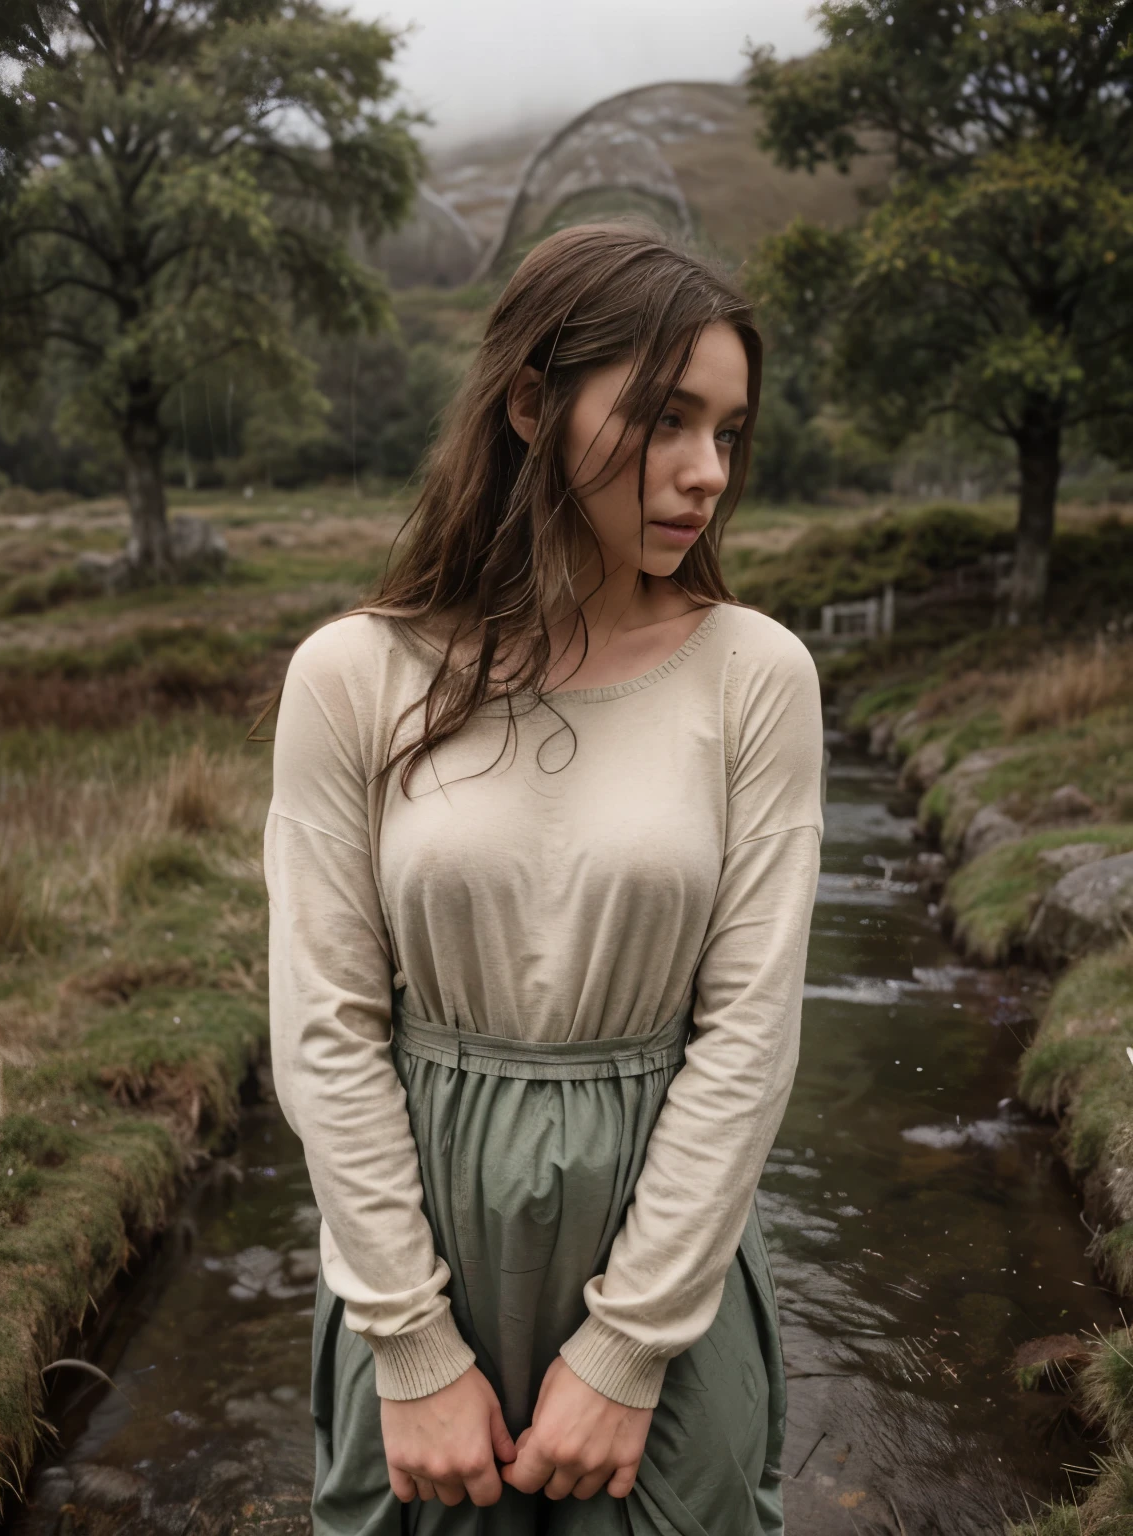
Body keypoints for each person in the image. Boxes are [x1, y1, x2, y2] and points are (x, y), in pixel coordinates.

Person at [263, 221, 824, 1535]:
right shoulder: (355, 677)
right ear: (530, 405)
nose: (704, 475)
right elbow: (328, 1027)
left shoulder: (756, 675)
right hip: (422, 1247)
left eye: (728, 433)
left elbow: (748, 1033)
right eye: (665, 419)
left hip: (666, 1252)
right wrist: (409, 1343)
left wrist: (630, 1348)